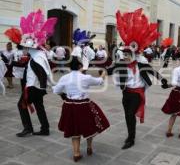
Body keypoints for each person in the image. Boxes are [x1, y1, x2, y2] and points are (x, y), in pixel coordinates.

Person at [107, 8, 169, 149]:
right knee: (128, 115)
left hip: (137, 93)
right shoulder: (122, 63)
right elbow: (110, 69)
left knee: (130, 115)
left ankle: (131, 138)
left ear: (134, 54)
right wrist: (103, 71)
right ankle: (131, 134)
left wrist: (164, 80)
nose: (126, 56)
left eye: (129, 54)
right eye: (125, 54)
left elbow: (153, 72)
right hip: (126, 93)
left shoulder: (141, 63)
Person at [10, 9, 57, 137]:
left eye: (25, 46)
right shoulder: (37, 55)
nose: (24, 48)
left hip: (34, 88)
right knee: (39, 107)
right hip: (37, 88)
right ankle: (45, 129)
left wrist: (44, 86)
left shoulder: (37, 57)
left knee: (21, 105)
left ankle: (28, 128)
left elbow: (43, 72)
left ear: (30, 47)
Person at [52, 57, 109, 162]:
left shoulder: (65, 78)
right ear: (79, 66)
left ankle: (76, 153)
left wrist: (64, 95)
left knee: (74, 129)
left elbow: (56, 90)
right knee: (89, 126)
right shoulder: (85, 77)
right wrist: (103, 74)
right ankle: (89, 147)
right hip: (83, 105)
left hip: (70, 105)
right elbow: (99, 81)